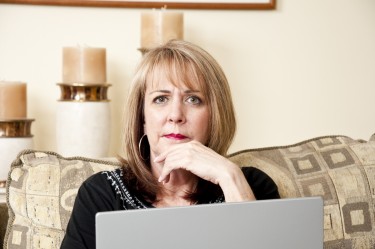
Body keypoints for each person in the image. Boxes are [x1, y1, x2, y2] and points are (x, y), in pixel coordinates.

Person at [60, 40, 280, 249]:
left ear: (215, 115)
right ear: (142, 118)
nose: (175, 115)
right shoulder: (102, 194)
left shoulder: (251, 185)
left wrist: (229, 177)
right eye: (161, 99)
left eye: (193, 99)